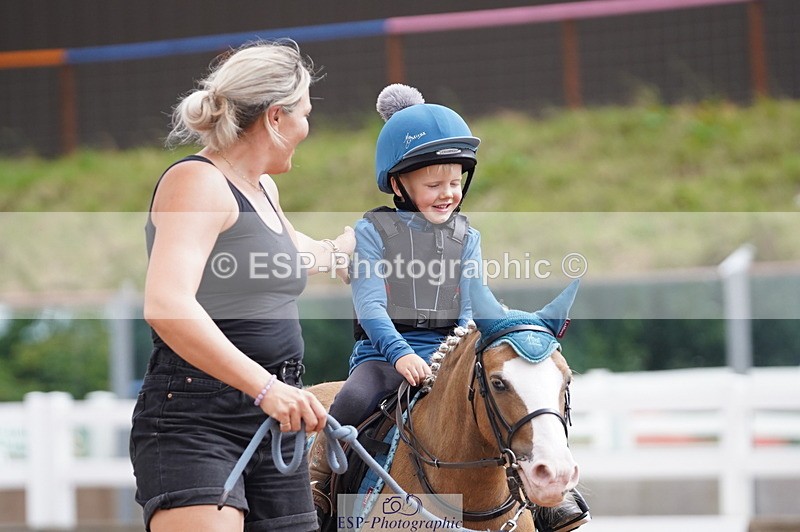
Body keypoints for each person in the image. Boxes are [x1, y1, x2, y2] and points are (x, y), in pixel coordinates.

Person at [308, 84, 590, 532]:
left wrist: (463, 344)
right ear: (399, 184)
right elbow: (371, 305)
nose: (448, 193)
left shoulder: (467, 236)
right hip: (384, 358)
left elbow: (472, 302)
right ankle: (320, 492)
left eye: (455, 182)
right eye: (434, 184)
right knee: (351, 401)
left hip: (450, 355)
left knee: (513, 395)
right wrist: (400, 354)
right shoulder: (372, 232)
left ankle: (545, 496)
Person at [129, 40, 355, 532]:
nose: (307, 128)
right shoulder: (198, 182)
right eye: (305, 114)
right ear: (276, 117)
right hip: (197, 420)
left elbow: (291, 254)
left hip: (275, 419)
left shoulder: (262, 188)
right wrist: (265, 387)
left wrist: (347, 250)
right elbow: (166, 304)